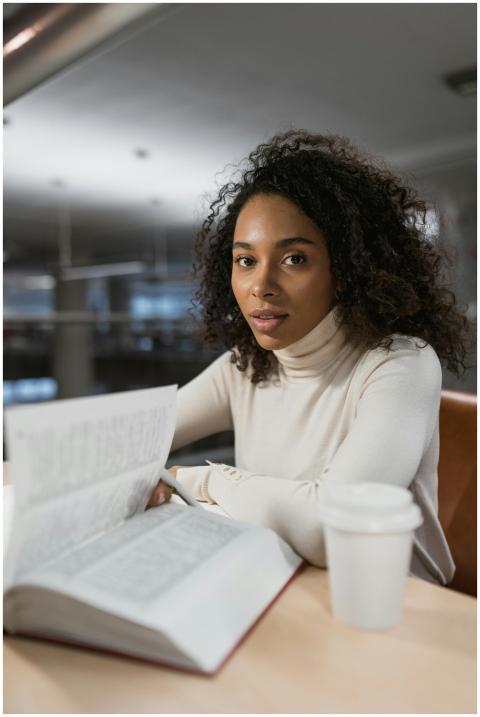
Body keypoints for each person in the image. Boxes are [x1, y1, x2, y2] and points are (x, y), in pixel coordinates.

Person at [148, 129, 471, 585]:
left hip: (391, 609)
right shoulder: (247, 366)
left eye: (294, 259)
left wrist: (200, 481)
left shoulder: (401, 362)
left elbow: (334, 526)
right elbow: (136, 434)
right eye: (245, 260)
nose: (261, 285)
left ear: (348, 269)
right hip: (281, 583)